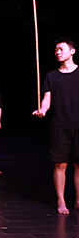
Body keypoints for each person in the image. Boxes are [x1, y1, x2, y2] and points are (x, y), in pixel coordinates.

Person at [33, 37, 79, 215]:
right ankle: (61, 200)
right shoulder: (51, 76)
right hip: (60, 125)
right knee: (61, 164)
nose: (57, 52)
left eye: (61, 49)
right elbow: (47, 99)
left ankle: (78, 199)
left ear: (72, 51)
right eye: (56, 50)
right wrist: (43, 110)